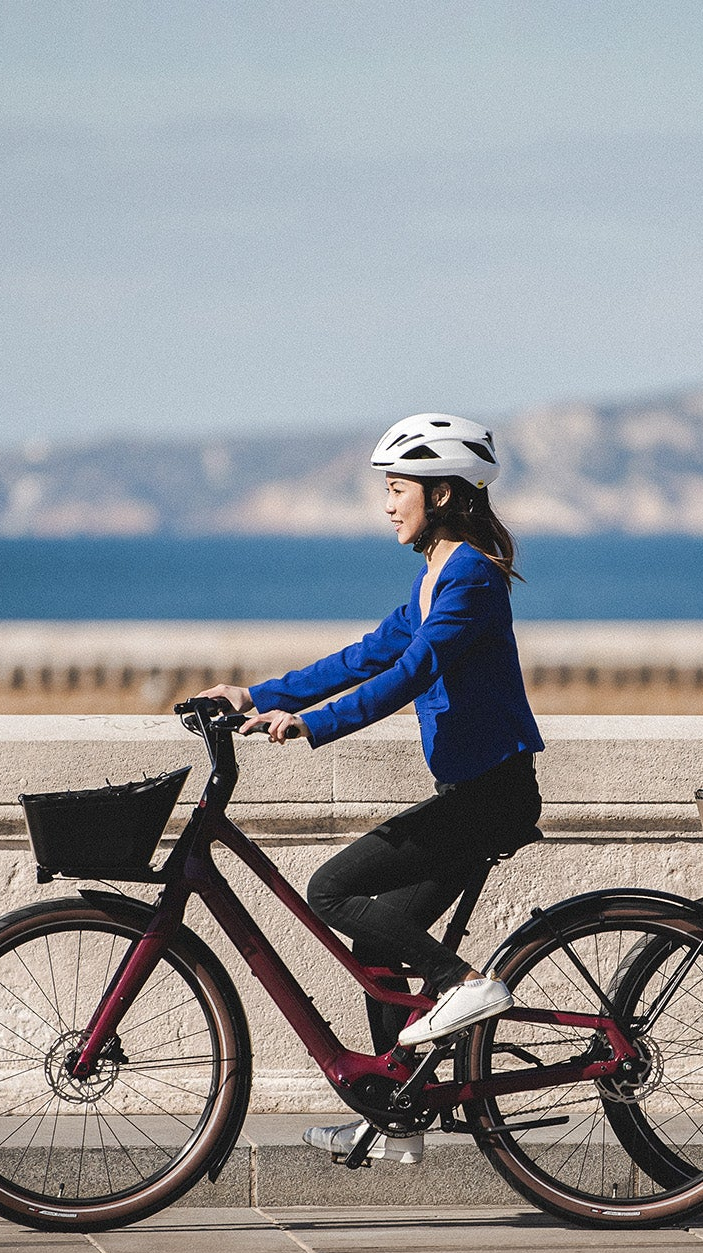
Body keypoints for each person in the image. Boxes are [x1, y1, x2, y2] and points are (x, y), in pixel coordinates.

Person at [205, 413, 543, 1164]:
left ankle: (466, 983)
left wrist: (315, 727)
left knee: (330, 890)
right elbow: (363, 657)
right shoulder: (433, 580)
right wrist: (254, 697)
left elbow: (410, 675)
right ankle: (401, 1114)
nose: (388, 505)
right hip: (472, 794)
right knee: (376, 942)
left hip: (492, 796)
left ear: (446, 493)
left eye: (398, 489)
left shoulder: (473, 580)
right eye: (386, 491)